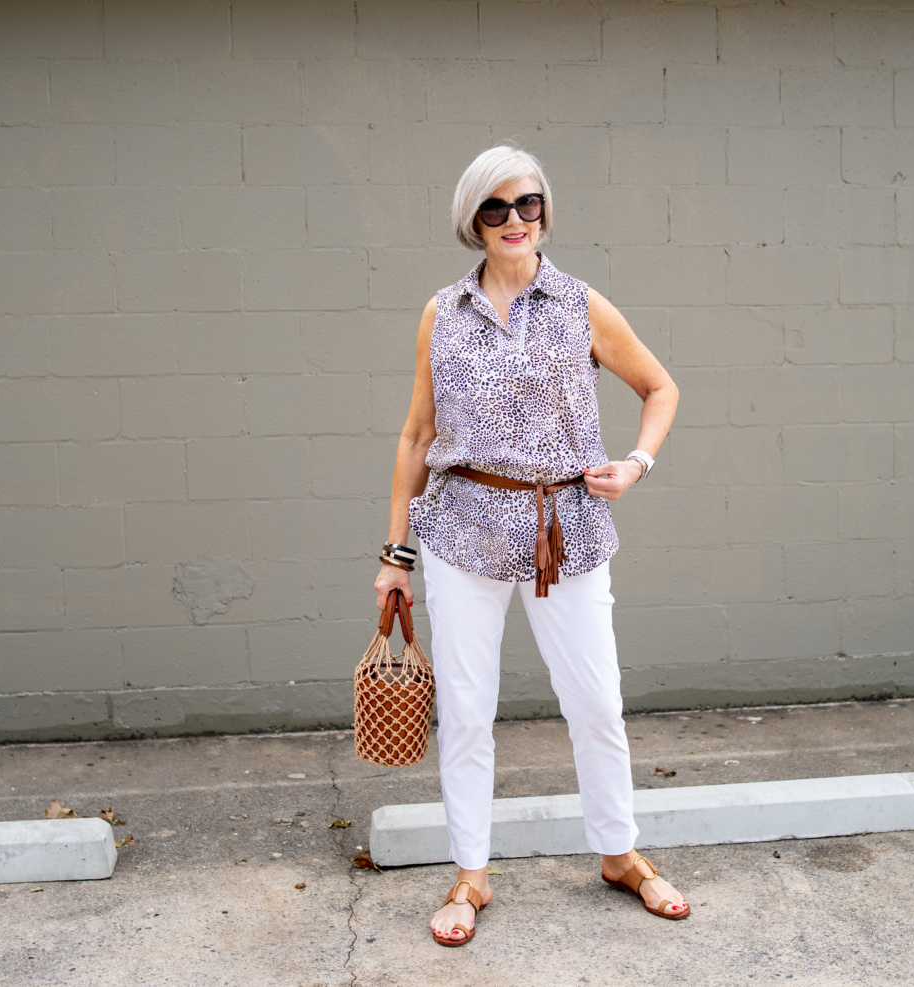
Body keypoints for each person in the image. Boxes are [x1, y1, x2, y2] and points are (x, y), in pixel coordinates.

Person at [374, 145, 683, 947]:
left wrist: (636, 464)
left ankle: (619, 853)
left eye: (530, 204)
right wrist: (395, 553)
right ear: (471, 222)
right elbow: (416, 435)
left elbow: (660, 387)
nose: (516, 221)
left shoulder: (580, 305)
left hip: (567, 530)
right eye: (496, 208)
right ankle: (471, 873)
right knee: (469, 713)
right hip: (462, 529)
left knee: (596, 704)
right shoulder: (442, 312)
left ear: (545, 211)